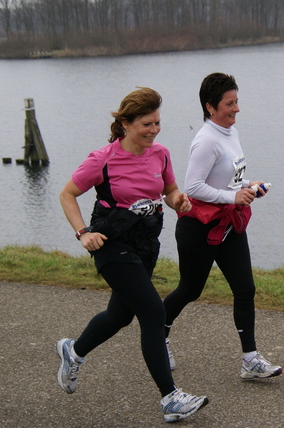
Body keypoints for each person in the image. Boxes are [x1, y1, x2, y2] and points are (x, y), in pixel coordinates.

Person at [56, 87, 208, 423]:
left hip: (145, 244)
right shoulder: (103, 159)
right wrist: (83, 233)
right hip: (110, 242)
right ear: (125, 123)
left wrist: (178, 201)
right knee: (153, 312)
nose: (154, 130)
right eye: (146, 124)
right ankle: (170, 399)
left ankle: (73, 350)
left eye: (157, 123)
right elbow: (67, 194)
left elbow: (168, 191)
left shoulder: (161, 154)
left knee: (120, 316)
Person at [162, 72, 283, 379]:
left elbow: (229, 176)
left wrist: (247, 185)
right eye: (230, 104)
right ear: (210, 107)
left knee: (245, 289)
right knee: (190, 290)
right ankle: (157, 336)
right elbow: (193, 186)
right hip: (198, 227)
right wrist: (232, 196)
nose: (236, 109)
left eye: (237, 101)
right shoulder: (205, 140)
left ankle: (250, 359)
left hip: (228, 224)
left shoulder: (230, 132)